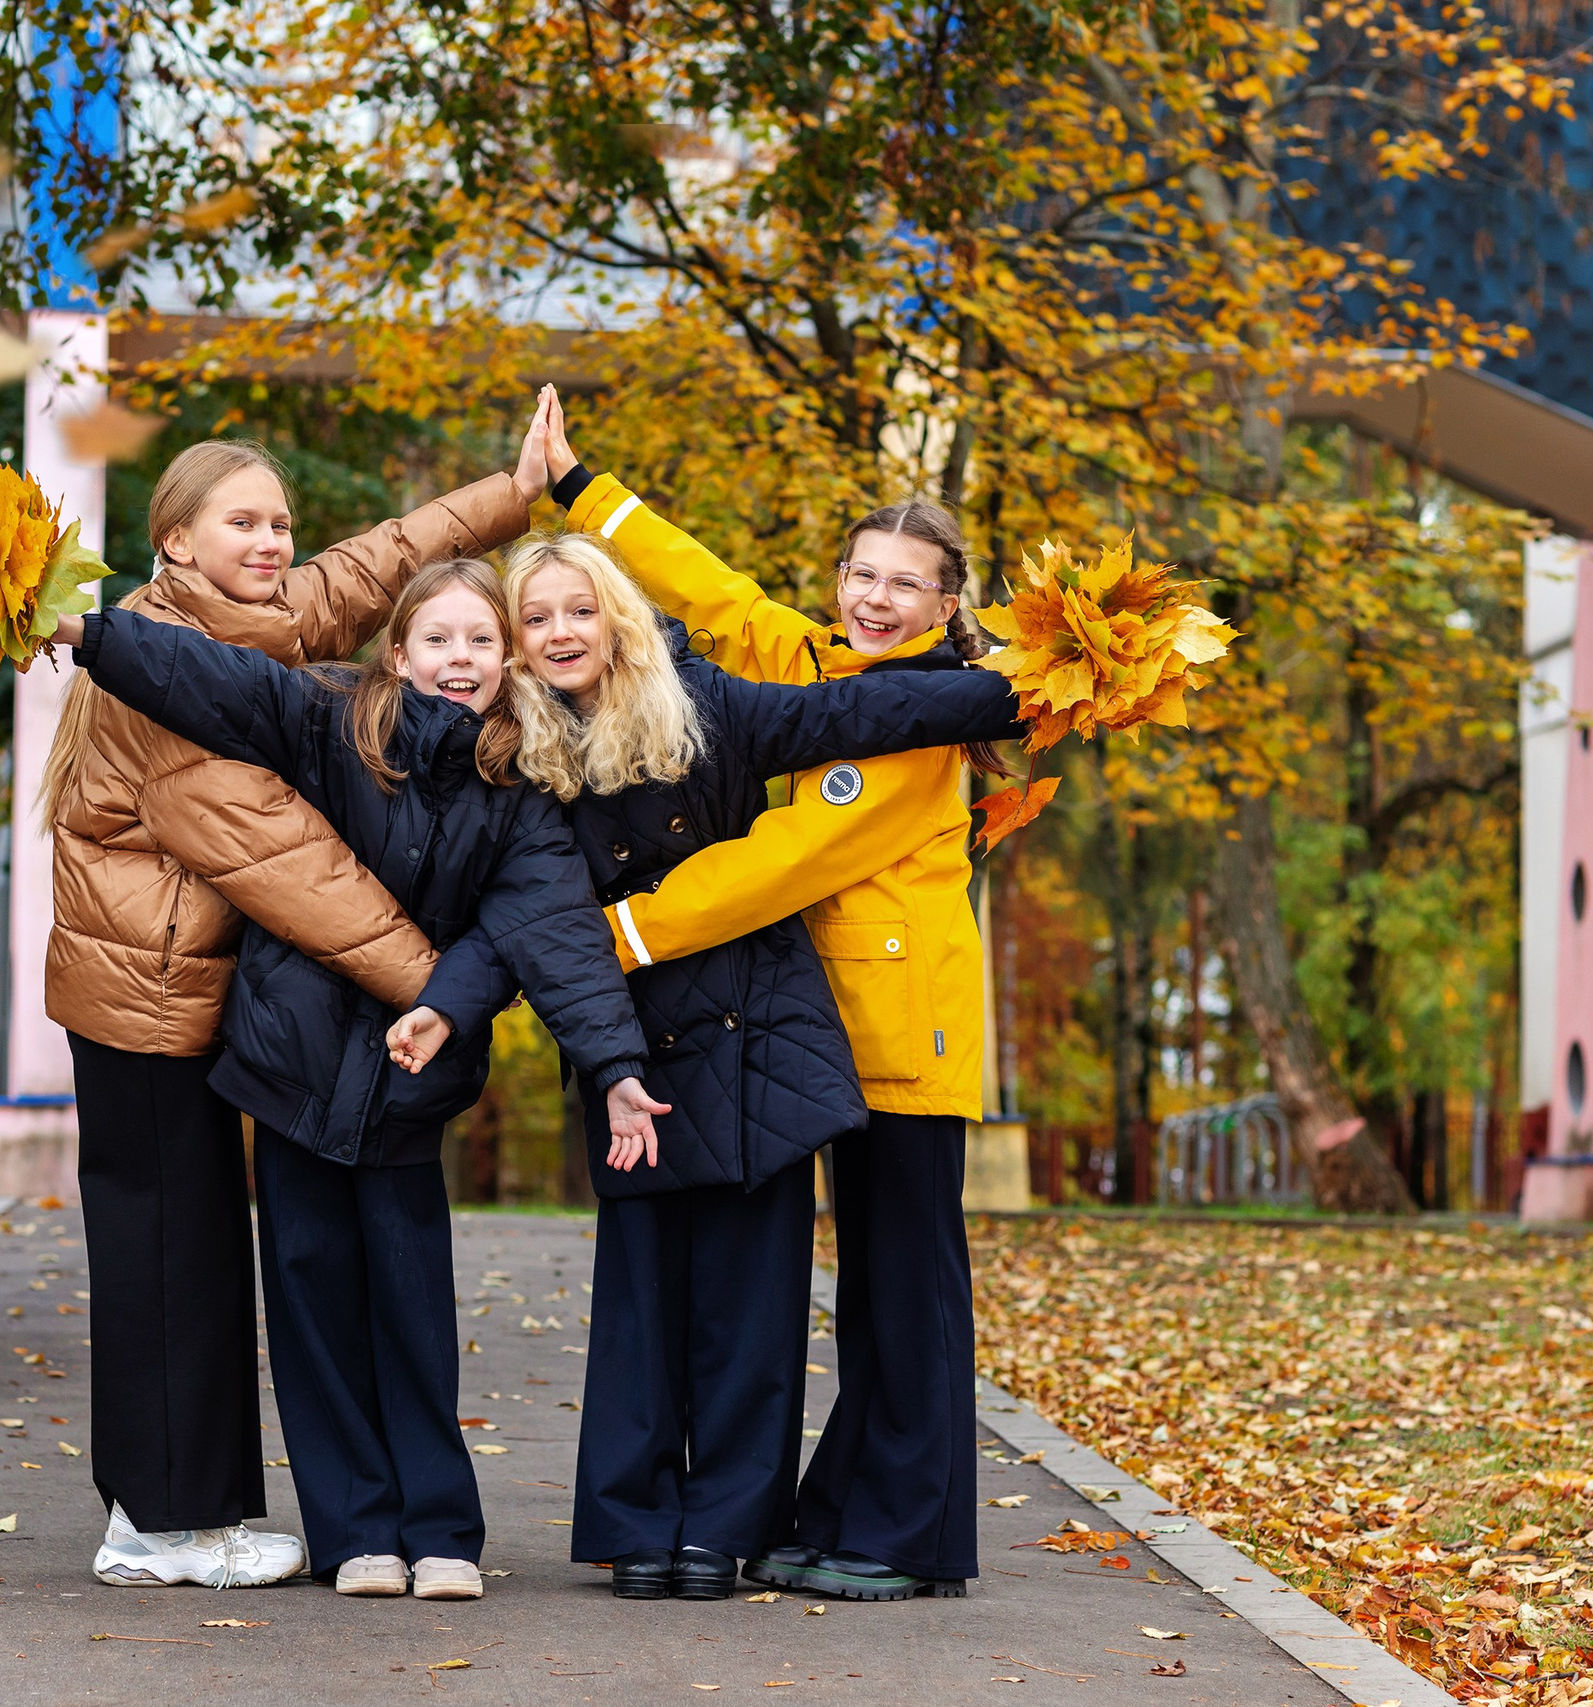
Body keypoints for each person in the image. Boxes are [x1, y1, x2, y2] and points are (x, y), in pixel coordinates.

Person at [386, 529, 1024, 1601]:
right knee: (638, 1292)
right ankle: (636, 1521)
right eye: (535, 617)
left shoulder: (709, 705)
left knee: (753, 1298)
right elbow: (522, 913)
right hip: (626, 1035)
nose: (558, 633)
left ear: (616, 616)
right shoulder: (513, 755)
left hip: (759, 1026)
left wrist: (1016, 690)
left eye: (578, 610)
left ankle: (723, 1527)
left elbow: (857, 713)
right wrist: (448, 1004)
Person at [52, 559, 668, 1603]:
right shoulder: (328, 719)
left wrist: (611, 1066)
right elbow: (209, 679)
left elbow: (554, 933)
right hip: (290, 1073)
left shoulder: (518, 788)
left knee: (411, 1312)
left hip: (405, 1086)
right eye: (437, 640)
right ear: (398, 655)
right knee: (311, 1304)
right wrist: (91, 633)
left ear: (506, 661)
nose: (457, 659)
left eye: (478, 641)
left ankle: (439, 1534)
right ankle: (354, 1536)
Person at [36, 418, 546, 1590]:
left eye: (278, 522)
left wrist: (507, 497)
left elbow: (365, 568)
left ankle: (169, 1512)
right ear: (175, 542)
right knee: (173, 1257)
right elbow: (288, 865)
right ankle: (162, 1527)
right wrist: (450, 988)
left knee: (195, 1249)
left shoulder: (238, 622)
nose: (273, 542)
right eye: (242, 523)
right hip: (147, 994)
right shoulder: (162, 676)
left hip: (183, 983)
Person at [537, 393, 1011, 1601]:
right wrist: (582, 491)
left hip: (902, 1031)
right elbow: (708, 587)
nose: (876, 599)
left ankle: (910, 1536)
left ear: (946, 605)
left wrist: (617, 933)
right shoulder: (808, 659)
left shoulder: (918, 728)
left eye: (906, 585)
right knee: (863, 1295)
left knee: (905, 1287)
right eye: (862, 574)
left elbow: (784, 862)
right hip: (827, 1035)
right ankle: (850, 1508)